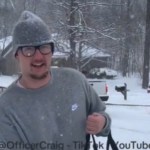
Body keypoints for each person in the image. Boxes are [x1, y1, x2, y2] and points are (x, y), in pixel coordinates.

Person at [0, 11, 111, 150]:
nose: (38, 56)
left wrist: (102, 122)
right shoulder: (6, 107)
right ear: (16, 55)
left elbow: (102, 115)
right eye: (28, 49)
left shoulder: (75, 81)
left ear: (51, 51)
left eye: (44, 47)